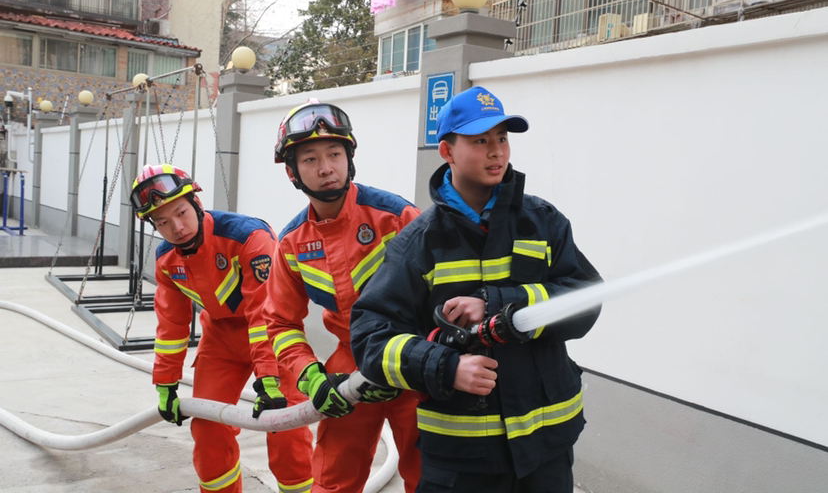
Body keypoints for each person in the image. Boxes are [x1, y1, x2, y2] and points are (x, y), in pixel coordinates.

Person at [350, 86, 603, 492]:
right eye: (480, 141)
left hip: (547, 451)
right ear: (447, 152)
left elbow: (586, 301)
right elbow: (370, 338)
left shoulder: (543, 221)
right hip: (461, 460)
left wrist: (499, 305)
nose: (497, 151)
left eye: (502, 138)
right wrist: (446, 367)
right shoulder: (417, 244)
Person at [264, 100, 422, 493]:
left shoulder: (397, 217)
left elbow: (443, 296)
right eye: (310, 159)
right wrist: (312, 378)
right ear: (292, 172)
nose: (326, 168)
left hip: (413, 356)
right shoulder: (292, 243)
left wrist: (421, 359)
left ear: (349, 158)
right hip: (349, 366)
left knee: (431, 477)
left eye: (334, 154)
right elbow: (280, 323)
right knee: (333, 480)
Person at [129, 164, 313, 493]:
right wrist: (166, 383)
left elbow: (264, 313)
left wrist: (269, 377)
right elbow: (171, 326)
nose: (177, 228)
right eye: (163, 222)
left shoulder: (248, 237)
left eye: (181, 213)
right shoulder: (166, 260)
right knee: (208, 430)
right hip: (219, 341)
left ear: (197, 203)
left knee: (287, 427)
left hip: (272, 334)